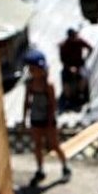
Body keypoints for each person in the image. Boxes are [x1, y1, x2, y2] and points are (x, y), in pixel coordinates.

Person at [22, 49, 71, 184]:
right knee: (37, 145)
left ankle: (65, 166)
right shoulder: (30, 84)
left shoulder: (48, 85)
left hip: (47, 119)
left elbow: (52, 104)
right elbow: (27, 101)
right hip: (36, 117)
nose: (32, 71)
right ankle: (40, 169)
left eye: (33, 68)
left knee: (54, 145)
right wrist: (24, 118)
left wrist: (50, 120)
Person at [58, 28, 94, 109]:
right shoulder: (64, 45)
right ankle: (68, 99)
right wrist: (69, 68)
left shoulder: (79, 41)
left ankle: (81, 94)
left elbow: (90, 48)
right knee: (65, 79)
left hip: (79, 65)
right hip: (68, 66)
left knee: (84, 76)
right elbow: (62, 60)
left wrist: (85, 59)